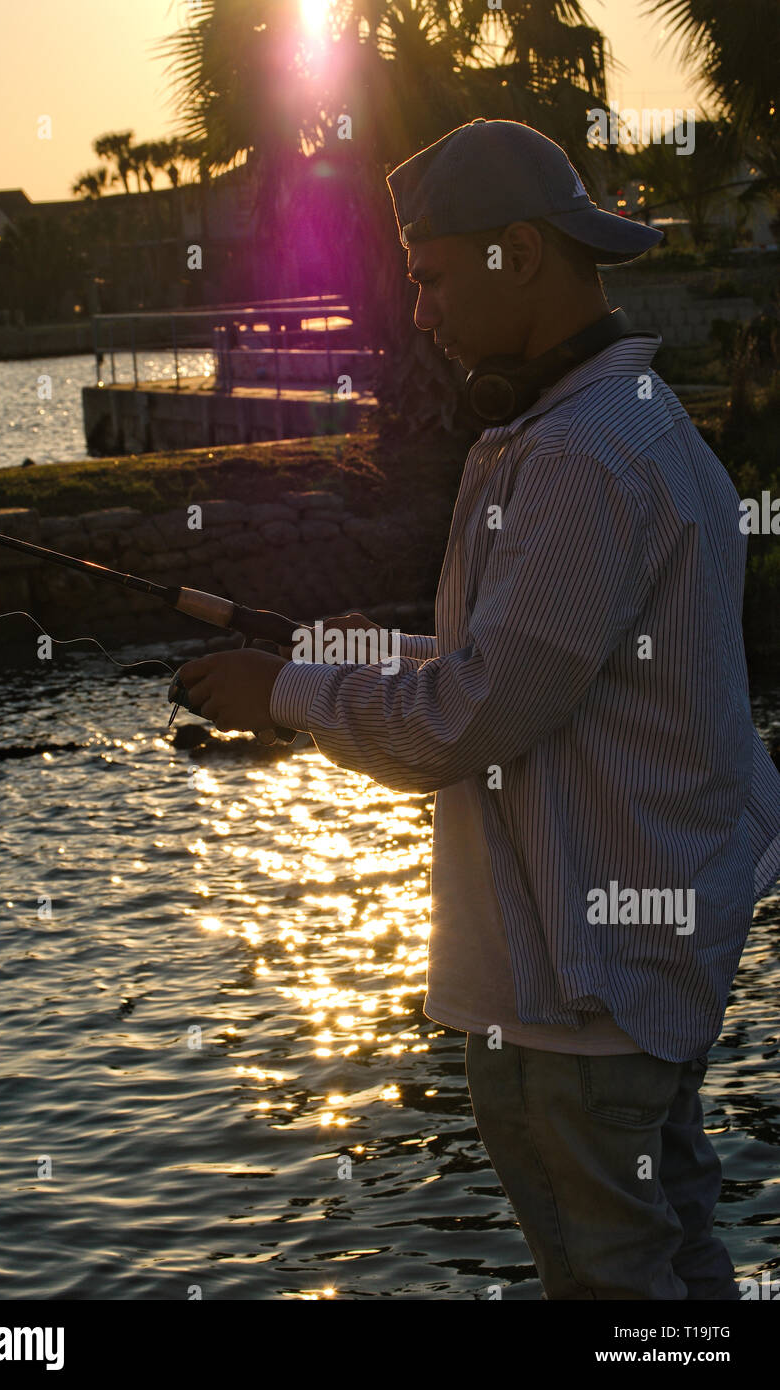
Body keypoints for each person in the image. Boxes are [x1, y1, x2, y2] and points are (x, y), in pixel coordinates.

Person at [173, 119, 780, 1300]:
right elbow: (503, 659)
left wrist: (291, 699)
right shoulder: (621, 424)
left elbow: (472, 714)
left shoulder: (579, 460)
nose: (425, 312)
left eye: (437, 277)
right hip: (638, 980)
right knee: (678, 1262)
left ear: (519, 253)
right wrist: (315, 651)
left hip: (579, 1004)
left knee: (611, 1285)